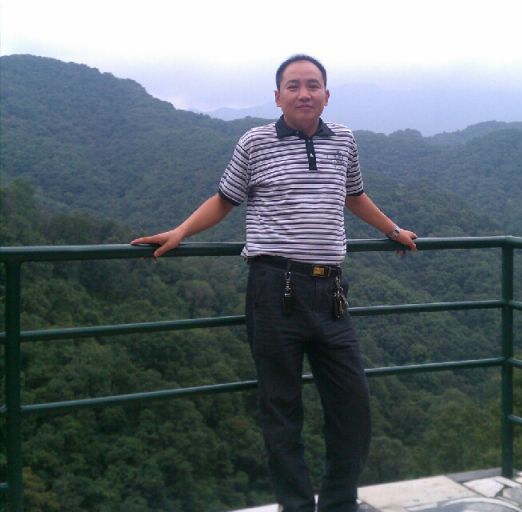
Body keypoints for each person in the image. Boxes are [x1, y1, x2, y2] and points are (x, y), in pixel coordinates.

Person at [132, 54, 417, 512]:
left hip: (332, 292)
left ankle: (339, 503)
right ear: (278, 96)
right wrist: (180, 232)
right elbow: (225, 199)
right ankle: (297, 506)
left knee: (352, 406)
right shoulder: (255, 142)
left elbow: (354, 195)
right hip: (274, 288)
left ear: (327, 94)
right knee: (282, 410)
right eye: (293, 85)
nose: (304, 93)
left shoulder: (343, 140)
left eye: (313, 85)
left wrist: (392, 229)